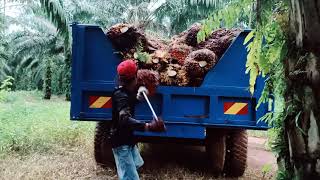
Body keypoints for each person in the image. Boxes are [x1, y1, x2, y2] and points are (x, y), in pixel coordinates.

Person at [110, 59, 166, 180]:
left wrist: (138, 98)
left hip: (128, 139)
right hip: (121, 143)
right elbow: (124, 119)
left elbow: (128, 101)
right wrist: (147, 126)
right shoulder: (120, 95)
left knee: (137, 164)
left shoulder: (125, 91)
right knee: (130, 177)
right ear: (135, 78)